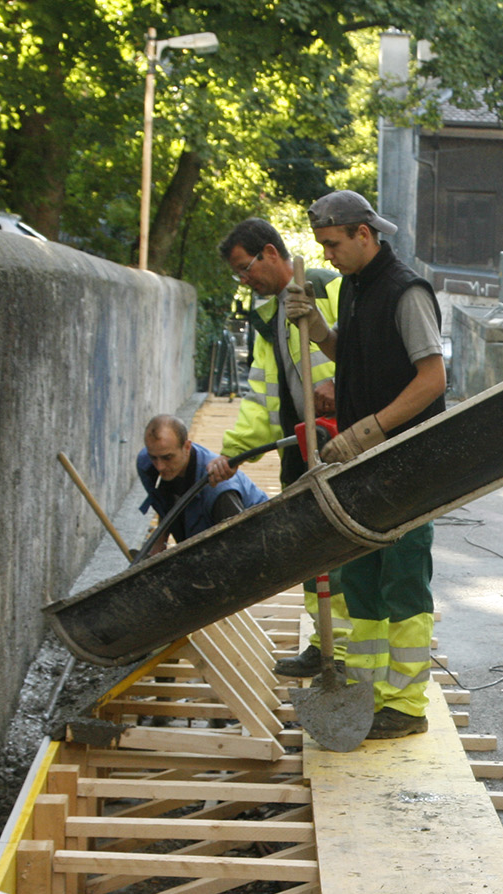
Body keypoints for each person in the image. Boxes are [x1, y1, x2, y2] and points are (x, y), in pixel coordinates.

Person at [284, 189, 449, 741]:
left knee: (402, 583)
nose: (327, 255)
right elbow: (350, 357)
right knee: (361, 582)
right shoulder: (352, 289)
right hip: (364, 468)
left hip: (406, 464)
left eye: (333, 244)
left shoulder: (407, 293)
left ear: (363, 233)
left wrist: (371, 428)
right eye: (322, 247)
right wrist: (317, 329)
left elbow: (432, 380)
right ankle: (372, 694)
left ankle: (405, 704)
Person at [215, 216, 350, 679]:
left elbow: (365, 350)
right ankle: (323, 642)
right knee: (311, 548)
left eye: (245, 266)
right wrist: (233, 454)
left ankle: (348, 649)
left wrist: (341, 381)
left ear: (271, 253)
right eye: (238, 273)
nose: (244, 279)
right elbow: (262, 396)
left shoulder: (329, 286)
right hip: (301, 441)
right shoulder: (268, 317)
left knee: (346, 546)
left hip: (343, 439)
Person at [136, 412, 268, 547]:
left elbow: (243, 545)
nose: (160, 467)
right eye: (154, 457)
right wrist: (159, 540)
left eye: (167, 457)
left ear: (187, 447)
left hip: (259, 538)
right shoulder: (147, 464)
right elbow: (164, 500)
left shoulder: (218, 488)